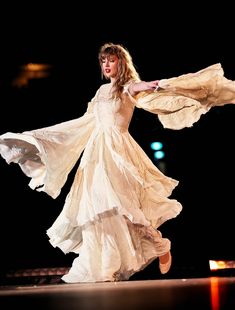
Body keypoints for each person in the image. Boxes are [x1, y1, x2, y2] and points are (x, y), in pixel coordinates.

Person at [1, 43, 235, 283]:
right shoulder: (101, 91)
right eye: (103, 61)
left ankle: (160, 244)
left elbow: (140, 87)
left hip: (119, 151)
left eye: (111, 60)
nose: (106, 65)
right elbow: (85, 122)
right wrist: (41, 139)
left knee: (123, 205)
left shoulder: (127, 87)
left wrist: (153, 85)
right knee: (96, 208)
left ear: (121, 63)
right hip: (95, 152)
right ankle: (105, 265)